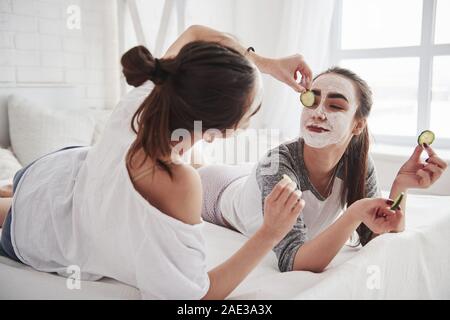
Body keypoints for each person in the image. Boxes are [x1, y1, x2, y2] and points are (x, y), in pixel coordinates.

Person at [0, 25, 314, 299]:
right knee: (12, 208)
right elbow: (195, 296)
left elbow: (195, 33)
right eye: (252, 110)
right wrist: (270, 233)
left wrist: (266, 65)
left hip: (49, 175)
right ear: (220, 128)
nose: (254, 114)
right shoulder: (178, 182)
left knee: (14, 196)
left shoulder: (151, 95)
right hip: (40, 229)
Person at [198, 67, 448, 273]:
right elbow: (291, 260)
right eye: (312, 100)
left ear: (358, 125)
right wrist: (353, 214)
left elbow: (376, 234)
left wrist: (400, 187)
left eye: (335, 106)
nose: (318, 113)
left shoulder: (358, 164)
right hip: (216, 192)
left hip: (247, 179)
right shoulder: (276, 166)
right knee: (191, 169)